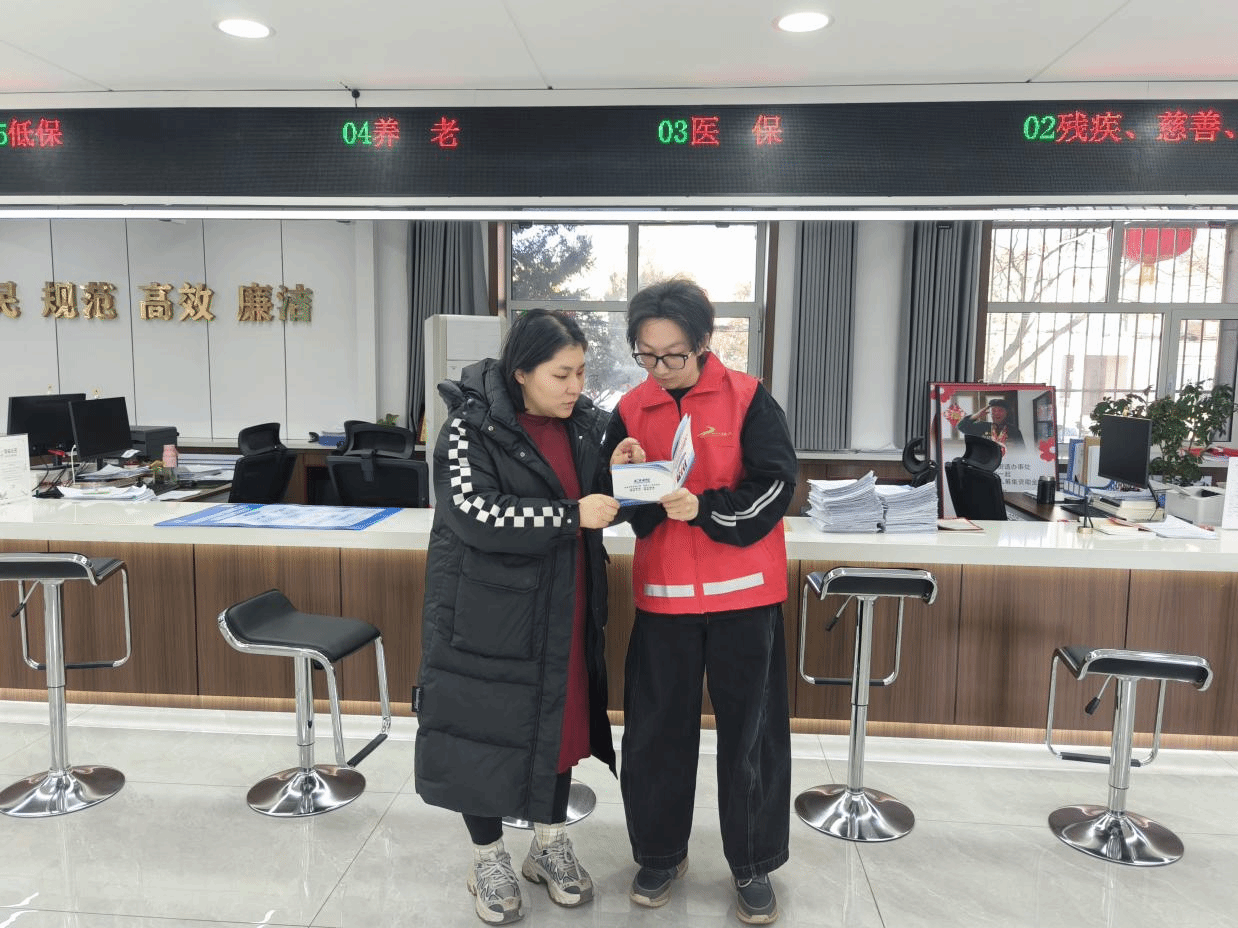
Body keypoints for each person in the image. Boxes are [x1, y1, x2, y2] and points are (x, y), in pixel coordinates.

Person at [414, 309, 620, 925]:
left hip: (563, 607)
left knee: (559, 725)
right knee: (481, 735)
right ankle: (488, 858)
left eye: (581, 372)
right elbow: (475, 511)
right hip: (486, 619)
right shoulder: (468, 427)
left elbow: (600, 497)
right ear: (522, 371)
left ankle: (549, 843)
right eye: (562, 374)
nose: (575, 386)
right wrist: (569, 516)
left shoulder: (584, 426)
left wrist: (626, 465)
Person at [604, 277, 797, 925]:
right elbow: (618, 502)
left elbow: (777, 485)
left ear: (705, 343)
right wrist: (626, 473)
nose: (659, 369)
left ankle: (753, 863)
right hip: (664, 601)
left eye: (673, 356)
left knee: (751, 738)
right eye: (646, 355)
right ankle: (660, 853)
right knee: (656, 735)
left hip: (745, 598)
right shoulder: (631, 408)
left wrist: (706, 509)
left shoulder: (748, 398)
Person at [957, 397, 1024, 447]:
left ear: (1006, 413)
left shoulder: (1014, 431)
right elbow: (961, 426)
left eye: (1000, 410)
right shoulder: (982, 427)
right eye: (994, 410)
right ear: (991, 413)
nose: (996, 413)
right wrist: (977, 415)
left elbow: (1022, 451)